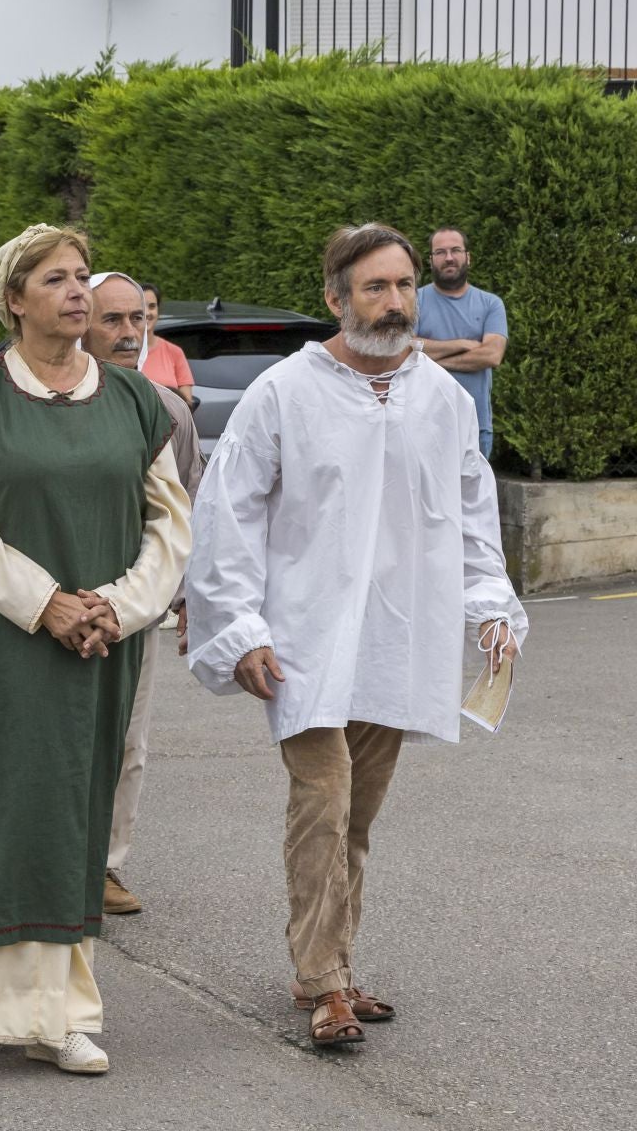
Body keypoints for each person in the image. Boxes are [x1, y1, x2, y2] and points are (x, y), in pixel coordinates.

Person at [186, 222, 526, 1049]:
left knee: (358, 816)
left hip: (399, 638)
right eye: (375, 287)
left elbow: (471, 512)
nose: (396, 300)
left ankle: (331, 960)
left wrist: (491, 607)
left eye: (404, 284)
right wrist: (239, 627)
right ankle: (325, 983)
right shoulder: (285, 391)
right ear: (336, 300)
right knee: (324, 801)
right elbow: (228, 514)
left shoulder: (439, 399)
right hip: (301, 638)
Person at [0, 224, 191, 1075]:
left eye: (82, 277)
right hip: (7, 641)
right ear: (14, 299)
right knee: (14, 802)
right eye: (56, 279)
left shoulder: (135, 400)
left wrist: (115, 608)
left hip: (103, 643)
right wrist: (46, 605)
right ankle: (45, 1013)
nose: (78, 292)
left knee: (76, 806)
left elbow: (171, 528)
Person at [81, 272, 204, 918]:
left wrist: (187, 601)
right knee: (55, 739)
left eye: (137, 321)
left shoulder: (168, 408)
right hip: (53, 606)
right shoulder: (45, 400)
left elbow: (188, 509)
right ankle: (43, 857)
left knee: (127, 742)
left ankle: (103, 866)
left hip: (135, 607)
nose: (129, 334)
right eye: (113, 321)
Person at [415, 226, 508, 459]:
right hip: (423, 425)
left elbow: (491, 356)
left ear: (468, 257)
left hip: (475, 426)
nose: (448, 257)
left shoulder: (490, 304)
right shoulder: (413, 301)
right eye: (440, 252)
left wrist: (426, 354)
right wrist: (464, 344)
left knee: (470, 496)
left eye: (456, 250)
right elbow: (404, 349)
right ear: (431, 260)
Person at [139, 284, 194, 406]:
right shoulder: (124, 352)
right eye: (141, 307)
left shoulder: (175, 352)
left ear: (158, 310)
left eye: (152, 306)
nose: (147, 312)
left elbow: (186, 404)